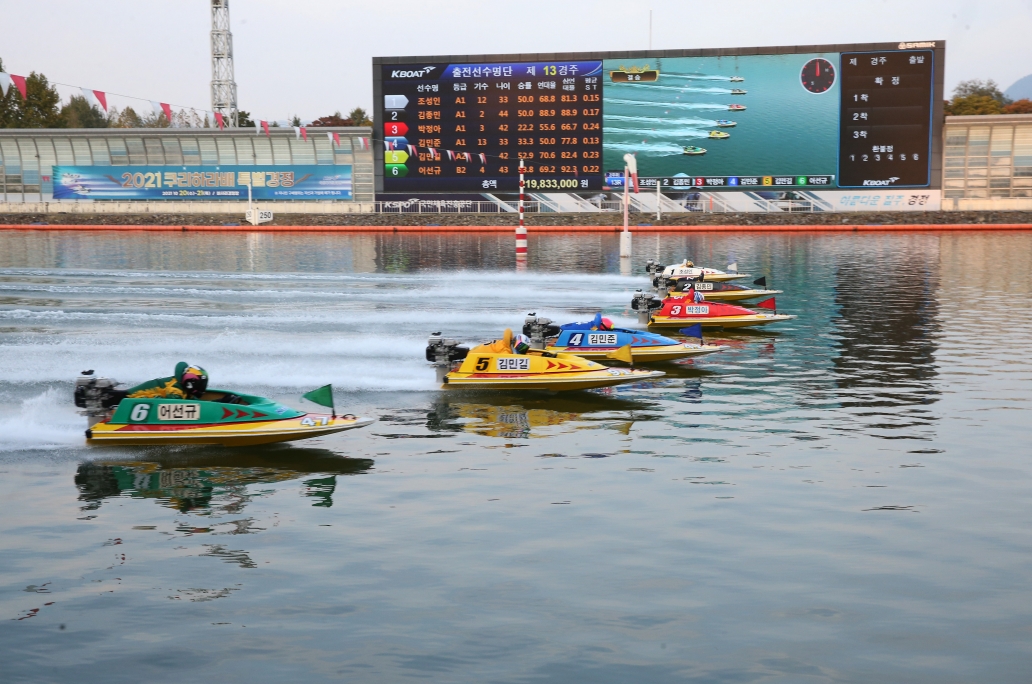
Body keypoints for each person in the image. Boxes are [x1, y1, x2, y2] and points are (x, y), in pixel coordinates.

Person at [126, 362, 209, 400]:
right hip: (133, 398)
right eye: (201, 384)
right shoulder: (175, 389)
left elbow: (195, 402)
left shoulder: (183, 388)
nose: (202, 387)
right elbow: (174, 406)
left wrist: (218, 402)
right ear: (190, 383)